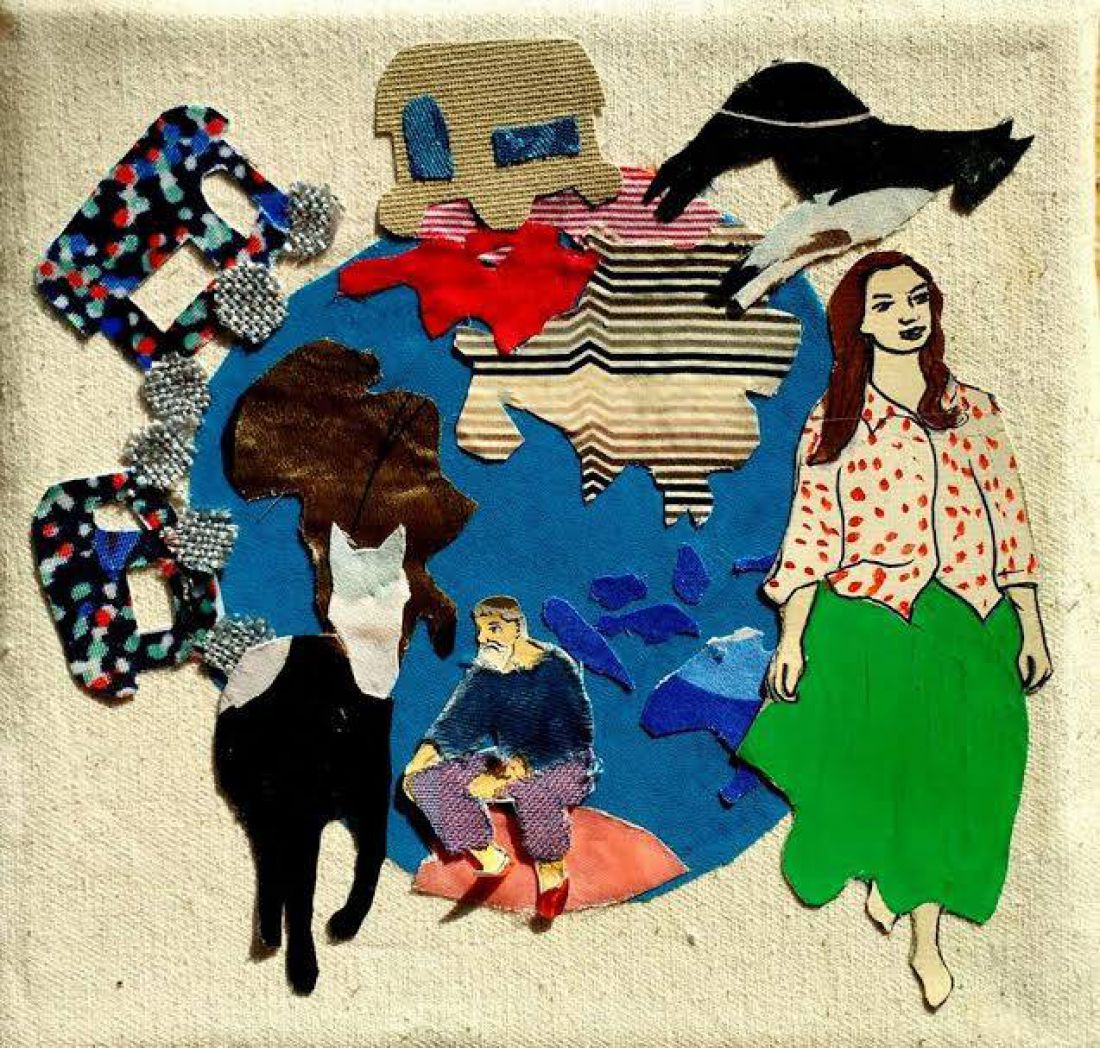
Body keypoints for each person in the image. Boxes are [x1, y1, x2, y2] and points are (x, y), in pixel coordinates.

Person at [737, 250, 1052, 1009]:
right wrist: (791, 637)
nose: (906, 315)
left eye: (917, 299)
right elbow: (811, 535)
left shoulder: (974, 410)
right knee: (900, 769)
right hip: (873, 617)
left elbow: (1009, 519)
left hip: (970, 616)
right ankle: (924, 935)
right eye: (885, 305)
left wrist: (1031, 622)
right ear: (860, 324)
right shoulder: (835, 421)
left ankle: (905, 887)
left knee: (980, 770)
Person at [403, 596, 598, 919]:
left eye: (493, 628)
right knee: (427, 780)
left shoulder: (555, 666)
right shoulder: (487, 674)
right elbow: (458, 724)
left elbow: (574, 733)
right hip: (506, 759)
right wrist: (425, 756)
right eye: (480, 630)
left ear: (517, 627)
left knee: (534, 793)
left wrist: (516, 771)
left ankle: (551, 872)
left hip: (565, 762)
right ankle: (490, 858)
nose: (484, 639)